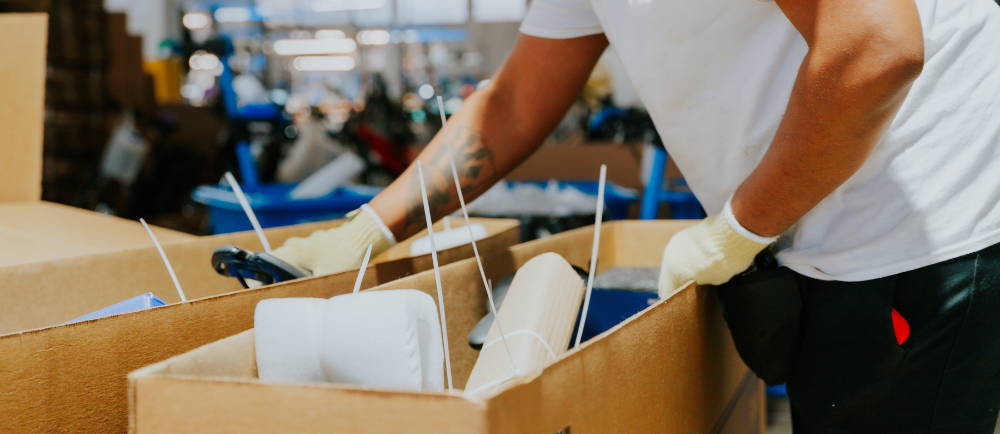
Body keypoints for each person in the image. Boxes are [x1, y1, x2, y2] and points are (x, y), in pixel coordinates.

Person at [273, 0, 1000, 431]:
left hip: (916, 228)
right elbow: (517, 101)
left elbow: (877, 46)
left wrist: (740, 226)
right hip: (809, 221)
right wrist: (370, 227)